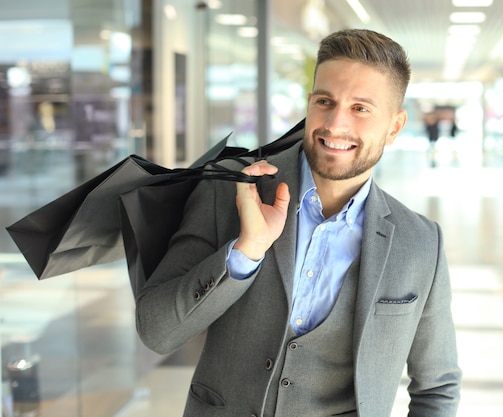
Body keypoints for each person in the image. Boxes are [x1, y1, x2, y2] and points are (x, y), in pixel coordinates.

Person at [135, 29, 462, 417]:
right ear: (310, 103)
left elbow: (437, 388)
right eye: (325, 101)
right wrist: (245, 252)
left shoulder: (420, 242)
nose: (335, 124)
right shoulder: (233, 190)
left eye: (361, 108)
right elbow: (157, 332)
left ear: (394, 126)